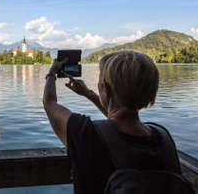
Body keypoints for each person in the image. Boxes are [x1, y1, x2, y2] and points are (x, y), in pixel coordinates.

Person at [43, 50, 183, 194]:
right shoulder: (163, 137)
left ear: (106, 89)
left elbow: (50, 103)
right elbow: (120, 117)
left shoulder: (85, 133)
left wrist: (51, 74)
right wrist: (89, 94)